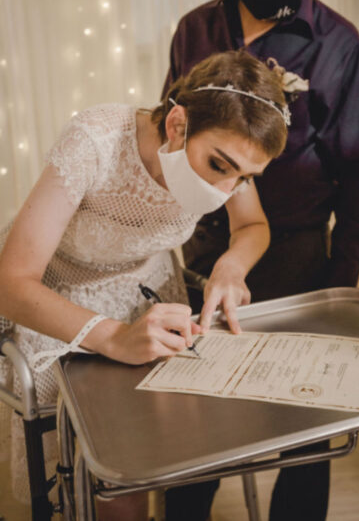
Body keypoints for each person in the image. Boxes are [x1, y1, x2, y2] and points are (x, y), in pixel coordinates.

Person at [164, 0, 359, 521]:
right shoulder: (195, 30)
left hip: (297, 259)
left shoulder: (342, 48)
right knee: (191, 427)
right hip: (204, 249)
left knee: (301, 437)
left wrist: (336, 291)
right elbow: (173, 133)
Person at [0, 49, 289, 521]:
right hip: (52, 296)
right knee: (111, 457)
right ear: (178, 124)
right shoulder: (94, 141)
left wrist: (231, 267)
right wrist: (113, 337)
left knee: (172, 432)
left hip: (147, 291)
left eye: (244, 178)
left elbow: (253, 227)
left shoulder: (231, 158)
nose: (225, 192)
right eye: (219, 167)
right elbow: (11, 283)